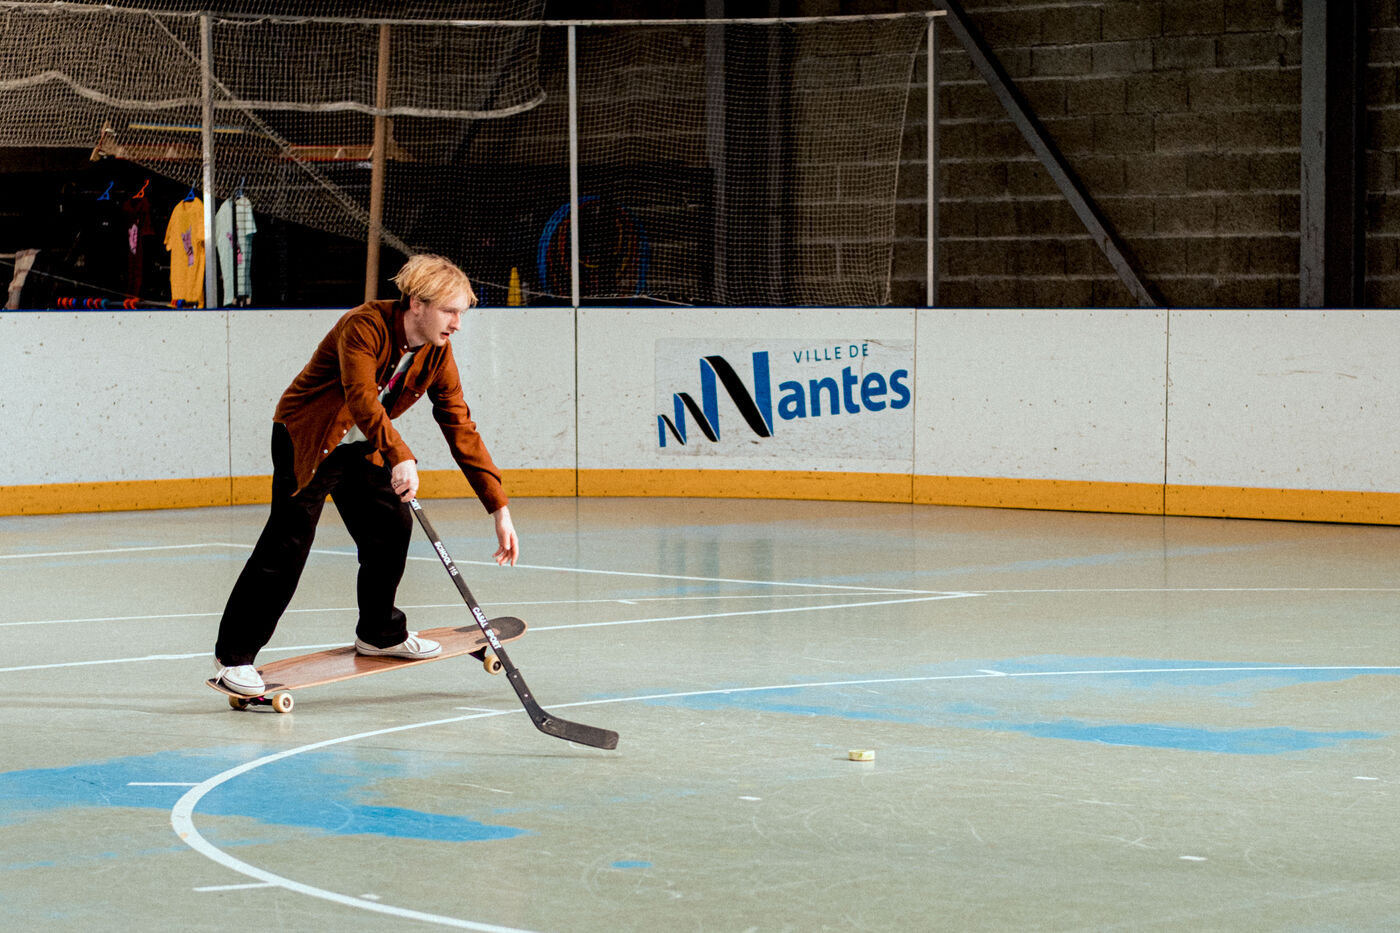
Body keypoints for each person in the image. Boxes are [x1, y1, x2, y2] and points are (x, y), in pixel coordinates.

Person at [212, 254, 518, 696]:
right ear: (417, 304)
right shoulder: (364, 326)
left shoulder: (437, 353)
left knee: (391, 527)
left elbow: (459, 424)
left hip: (362, 445)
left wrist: (498, 507)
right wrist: (400, 455)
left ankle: (379, 633)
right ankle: (234, 657)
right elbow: (361, 398)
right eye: (450, 311)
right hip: (309, 438)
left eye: (461, 314)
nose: (457, 324)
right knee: (287, 543)